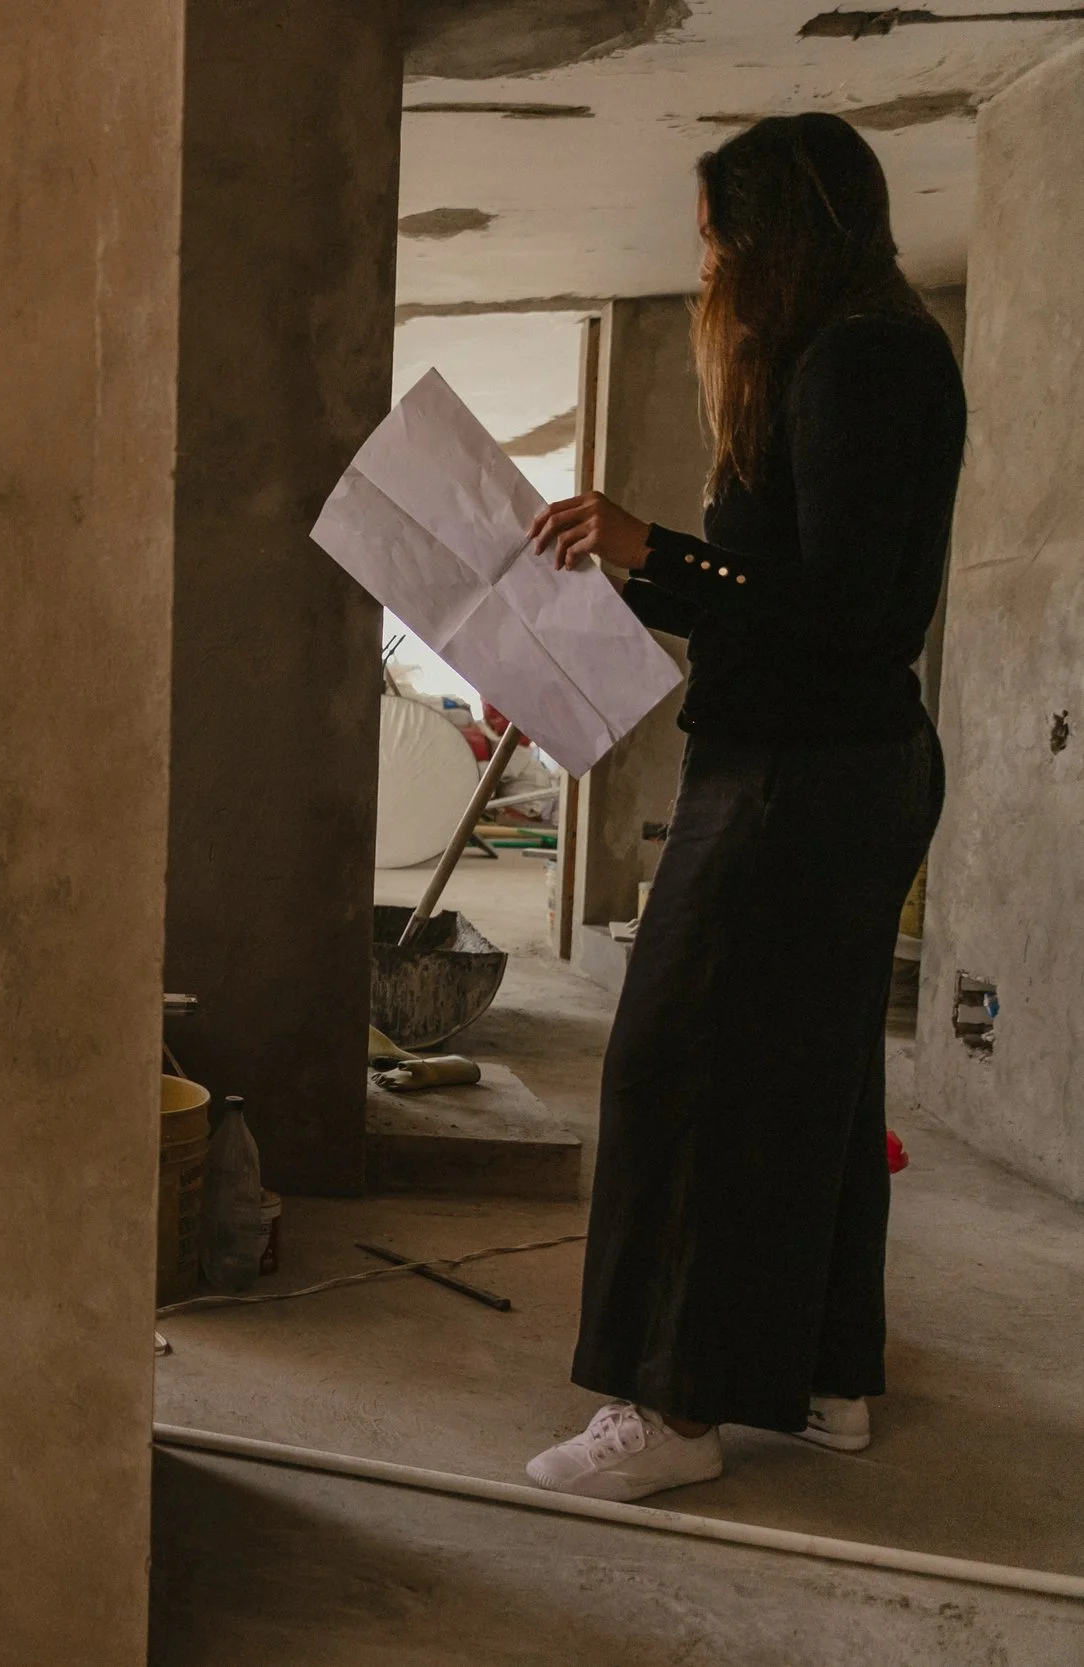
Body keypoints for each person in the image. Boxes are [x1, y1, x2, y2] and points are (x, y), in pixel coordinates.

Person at [519, 113, 964, 1502]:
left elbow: (844, 616)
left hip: (801, 775)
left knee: (678, 1073)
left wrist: (666, 553)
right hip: (823, 761)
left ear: (776, 238)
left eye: (714, 238)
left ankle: (674, 1401)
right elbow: (786, 595)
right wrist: (627, 563)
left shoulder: (863, 361)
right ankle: (828, 1373)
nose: (702, 264)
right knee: (818, 1081)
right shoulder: (848, 355)